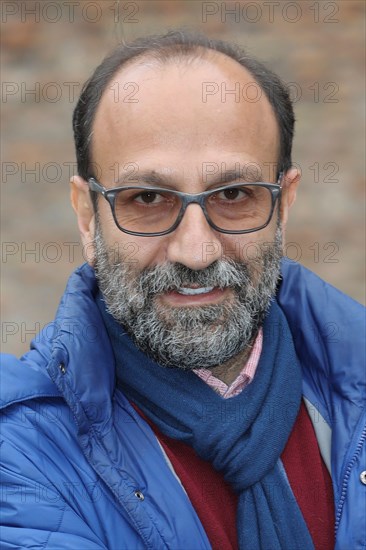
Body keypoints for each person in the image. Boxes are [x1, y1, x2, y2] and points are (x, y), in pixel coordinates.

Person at [1, 30, 364, 550]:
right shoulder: (20, 450)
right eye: (147, 197)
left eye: (234, 195)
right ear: (87, 218)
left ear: (283, 207)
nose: (196, 251)